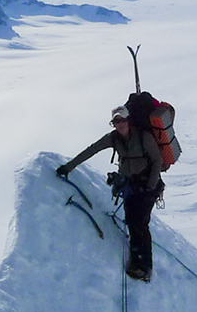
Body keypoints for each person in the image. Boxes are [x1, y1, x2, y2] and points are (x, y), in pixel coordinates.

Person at [57, 102, 165, 281]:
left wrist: (150, 186)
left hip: (148, 185)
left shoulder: (144, 137)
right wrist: (68, 167)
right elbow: (91, 150)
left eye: (122, 120)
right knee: (131, 220)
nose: (120, 124)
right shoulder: (113, 138)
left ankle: (145, 268)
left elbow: (157, 161)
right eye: (116, 122)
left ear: (128, 120)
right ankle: (136, 258)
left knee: (140, 222)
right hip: (131, 184)